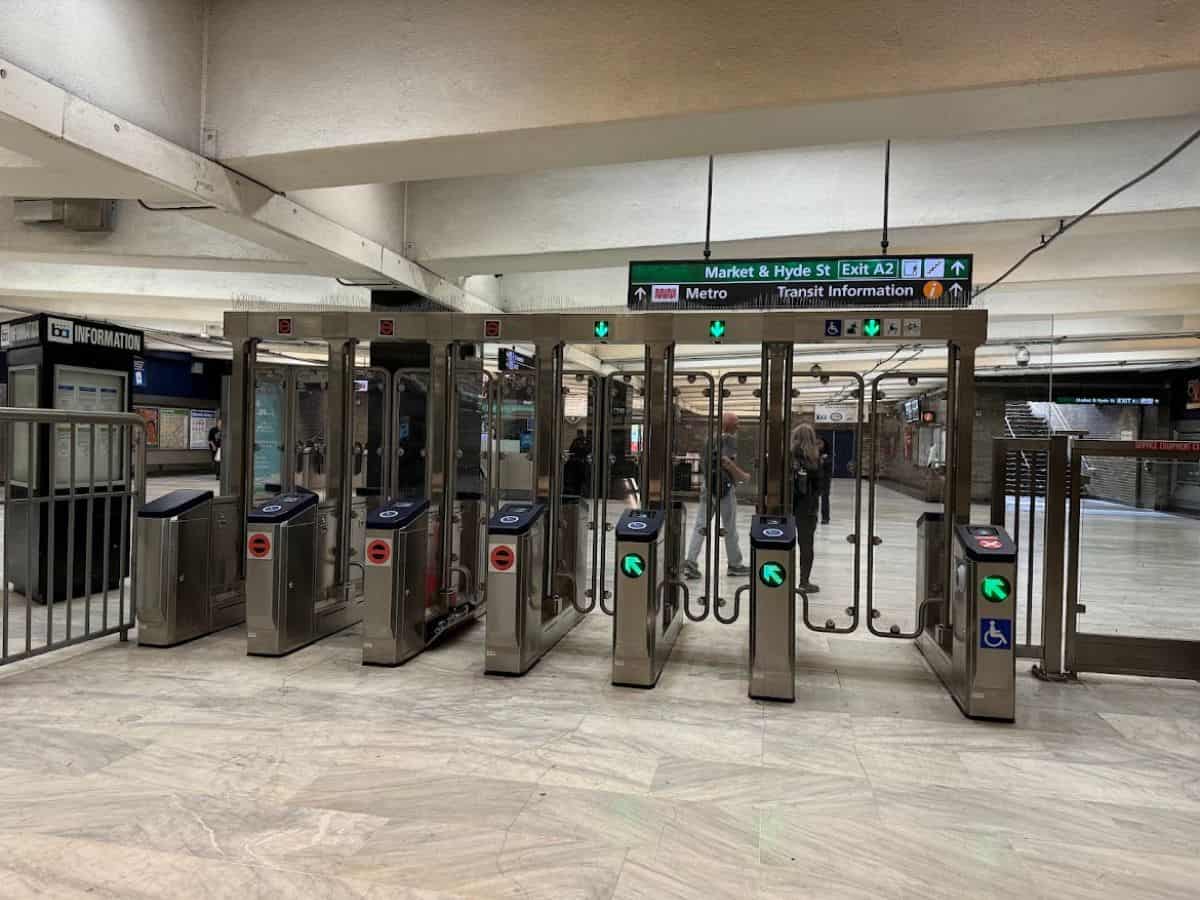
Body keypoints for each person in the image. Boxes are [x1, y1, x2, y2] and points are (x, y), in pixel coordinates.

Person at [683, 412, 751, 578]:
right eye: (736, 423)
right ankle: (735, 564)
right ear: (728, 425)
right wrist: (742, 476)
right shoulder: (728, 440)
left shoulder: (709, 439)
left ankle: (690, 562)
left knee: (701, 525)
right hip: (724, 488)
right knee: (729, 527)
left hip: (708, 486)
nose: (738, 426)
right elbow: (726, 462)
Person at [792, 423, 826, 593]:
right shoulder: (815, 459)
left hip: (789, 505)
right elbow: (821, 487)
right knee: (806, 545)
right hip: (808, 508)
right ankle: (804, 581)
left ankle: (778, 577)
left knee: (784, 542)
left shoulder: (788, 456)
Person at [818, 437, 833, 524]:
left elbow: (828, 463)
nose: (819, 445)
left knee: (825, 498)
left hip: (825, 479)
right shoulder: (815, 452)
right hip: (816, 478)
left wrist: (822, 460)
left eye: (821, 443)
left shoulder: (828, 454)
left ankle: (825, 517)